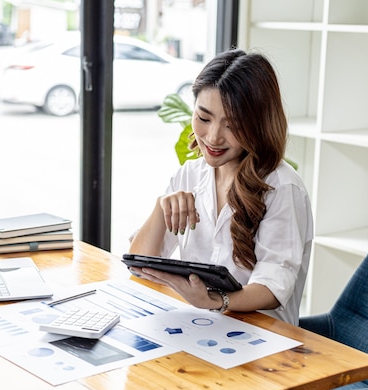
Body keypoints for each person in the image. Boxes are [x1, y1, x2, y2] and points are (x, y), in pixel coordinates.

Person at [128, 48, 313, 325]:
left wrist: (215, 301)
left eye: (233, 125)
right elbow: (140, 267)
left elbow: (274, 286)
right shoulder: (189, 174)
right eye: (203, 118)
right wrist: (161, 206)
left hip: (262, 342)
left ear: (258, 125)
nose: (213, 137)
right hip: (200, 329)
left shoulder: (282, 187)